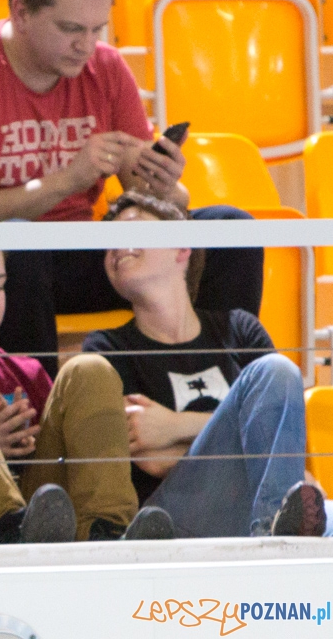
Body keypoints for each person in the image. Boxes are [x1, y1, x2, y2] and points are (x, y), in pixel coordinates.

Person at [0, 0, 263, 373]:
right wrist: (66, 181)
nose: (86, 46)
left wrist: (165, 186)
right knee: (18, 242)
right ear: (22, 12)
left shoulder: (106, 66)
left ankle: (224, 390)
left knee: (229, 230)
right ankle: (36, 408)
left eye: (97, 30)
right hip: (1, 264)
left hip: (89, 249)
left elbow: (142, 196)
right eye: (71, 29)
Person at [0, 209, 172, 544]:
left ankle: (106, 532)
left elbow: (55, 465)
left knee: (90, 368)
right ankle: (5, 531)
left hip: (36, 517)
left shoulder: (24, 370)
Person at [82, 191, 324, 538]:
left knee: (278, 371)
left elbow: (281, 425)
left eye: (133, 231)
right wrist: (257, 447)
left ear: (182, 248)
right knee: (275, 373)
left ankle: (273, 534)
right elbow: (150, 458)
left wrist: (174, 425)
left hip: (249, 510)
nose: (117, 247)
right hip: (171, 520)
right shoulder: (107, 348)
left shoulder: (240, 330)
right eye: (109, 243)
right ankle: (277, 538)